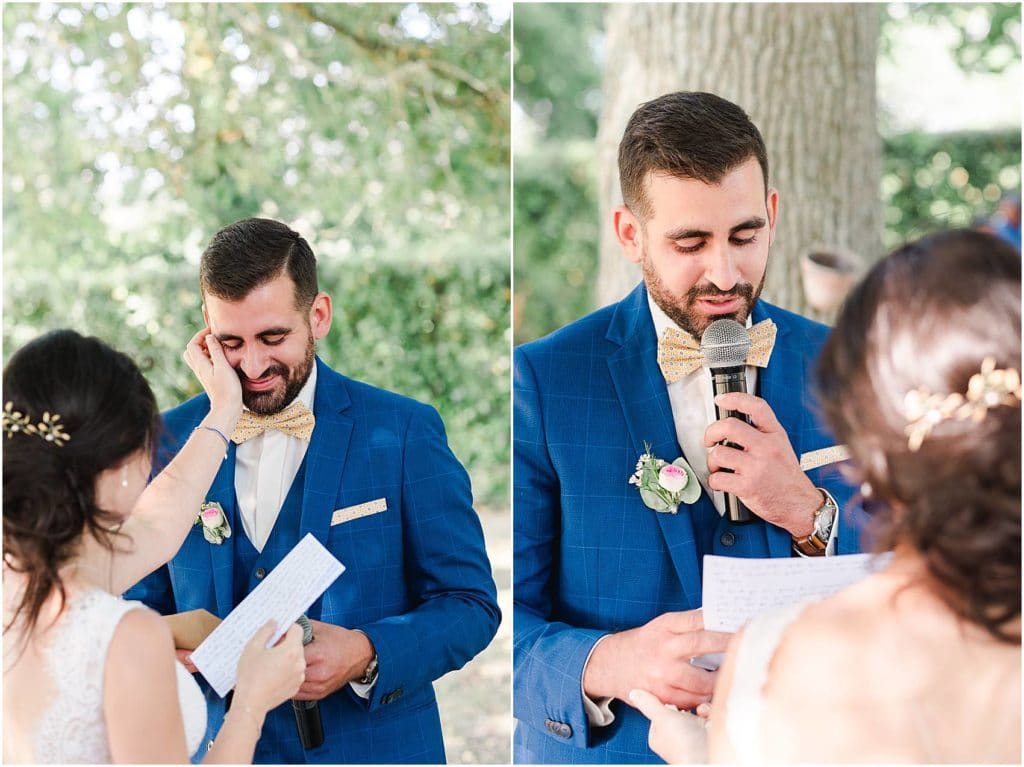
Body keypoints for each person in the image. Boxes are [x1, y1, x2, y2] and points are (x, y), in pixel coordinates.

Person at [513, 91, 865, 763]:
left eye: (744, 235)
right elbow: (505, 620)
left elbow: (910, 582)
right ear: (628, 234)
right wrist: (608, 661)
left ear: (772, 213)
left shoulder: (845, 364)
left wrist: (807, 512)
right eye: (690, 243)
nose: (725, 274)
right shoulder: (543, 380)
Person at [632, 228, 1021, 763]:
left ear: (861, 439)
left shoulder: (783, 656)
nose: (723, 272)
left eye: (744, 236)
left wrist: (703, 755)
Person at [126, 217, 500, 764]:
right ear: (205, 327)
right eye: (230, 342)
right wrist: (163, 656)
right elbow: (135, 607)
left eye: (272, 338)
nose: (252, 365)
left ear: (317, 315)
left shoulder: (402, 432)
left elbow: (470, 605)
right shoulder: (167, 443)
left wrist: (364, 652)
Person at [3, 328, 306, 763]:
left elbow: (154, 525)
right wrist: (252, 701)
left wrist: (224, 409)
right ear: (126, 464)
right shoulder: (126, 637)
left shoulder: (22, 571)